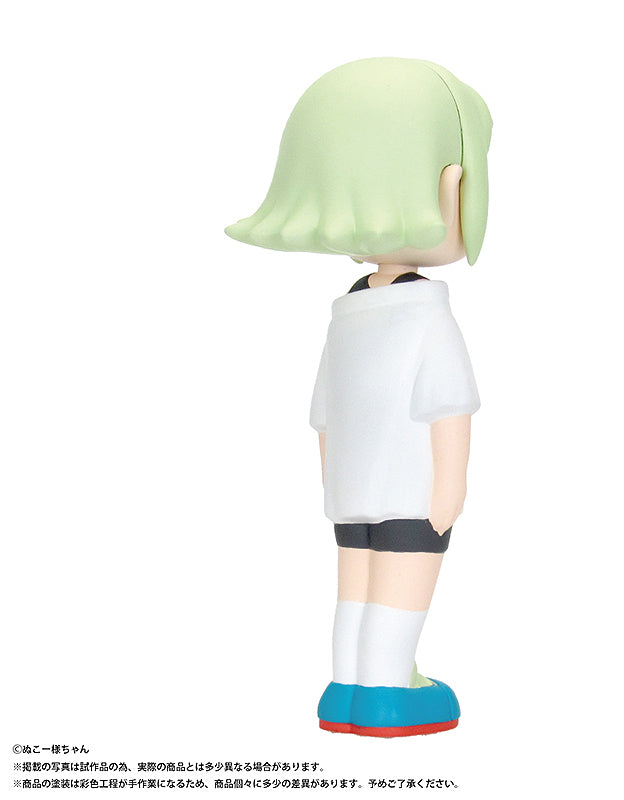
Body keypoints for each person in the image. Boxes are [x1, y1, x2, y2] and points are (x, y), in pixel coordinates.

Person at [226, 57, 491, 737]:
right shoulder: (426, 312)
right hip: (410, 487)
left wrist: (334, 484)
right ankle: (387, 691)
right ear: (452, 185)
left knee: (355, 583)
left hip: (350, 487)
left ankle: (344, 688)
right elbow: (448, 408)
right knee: (400, 582)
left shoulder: (347, 313)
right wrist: (451, 487)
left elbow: (323, 414)